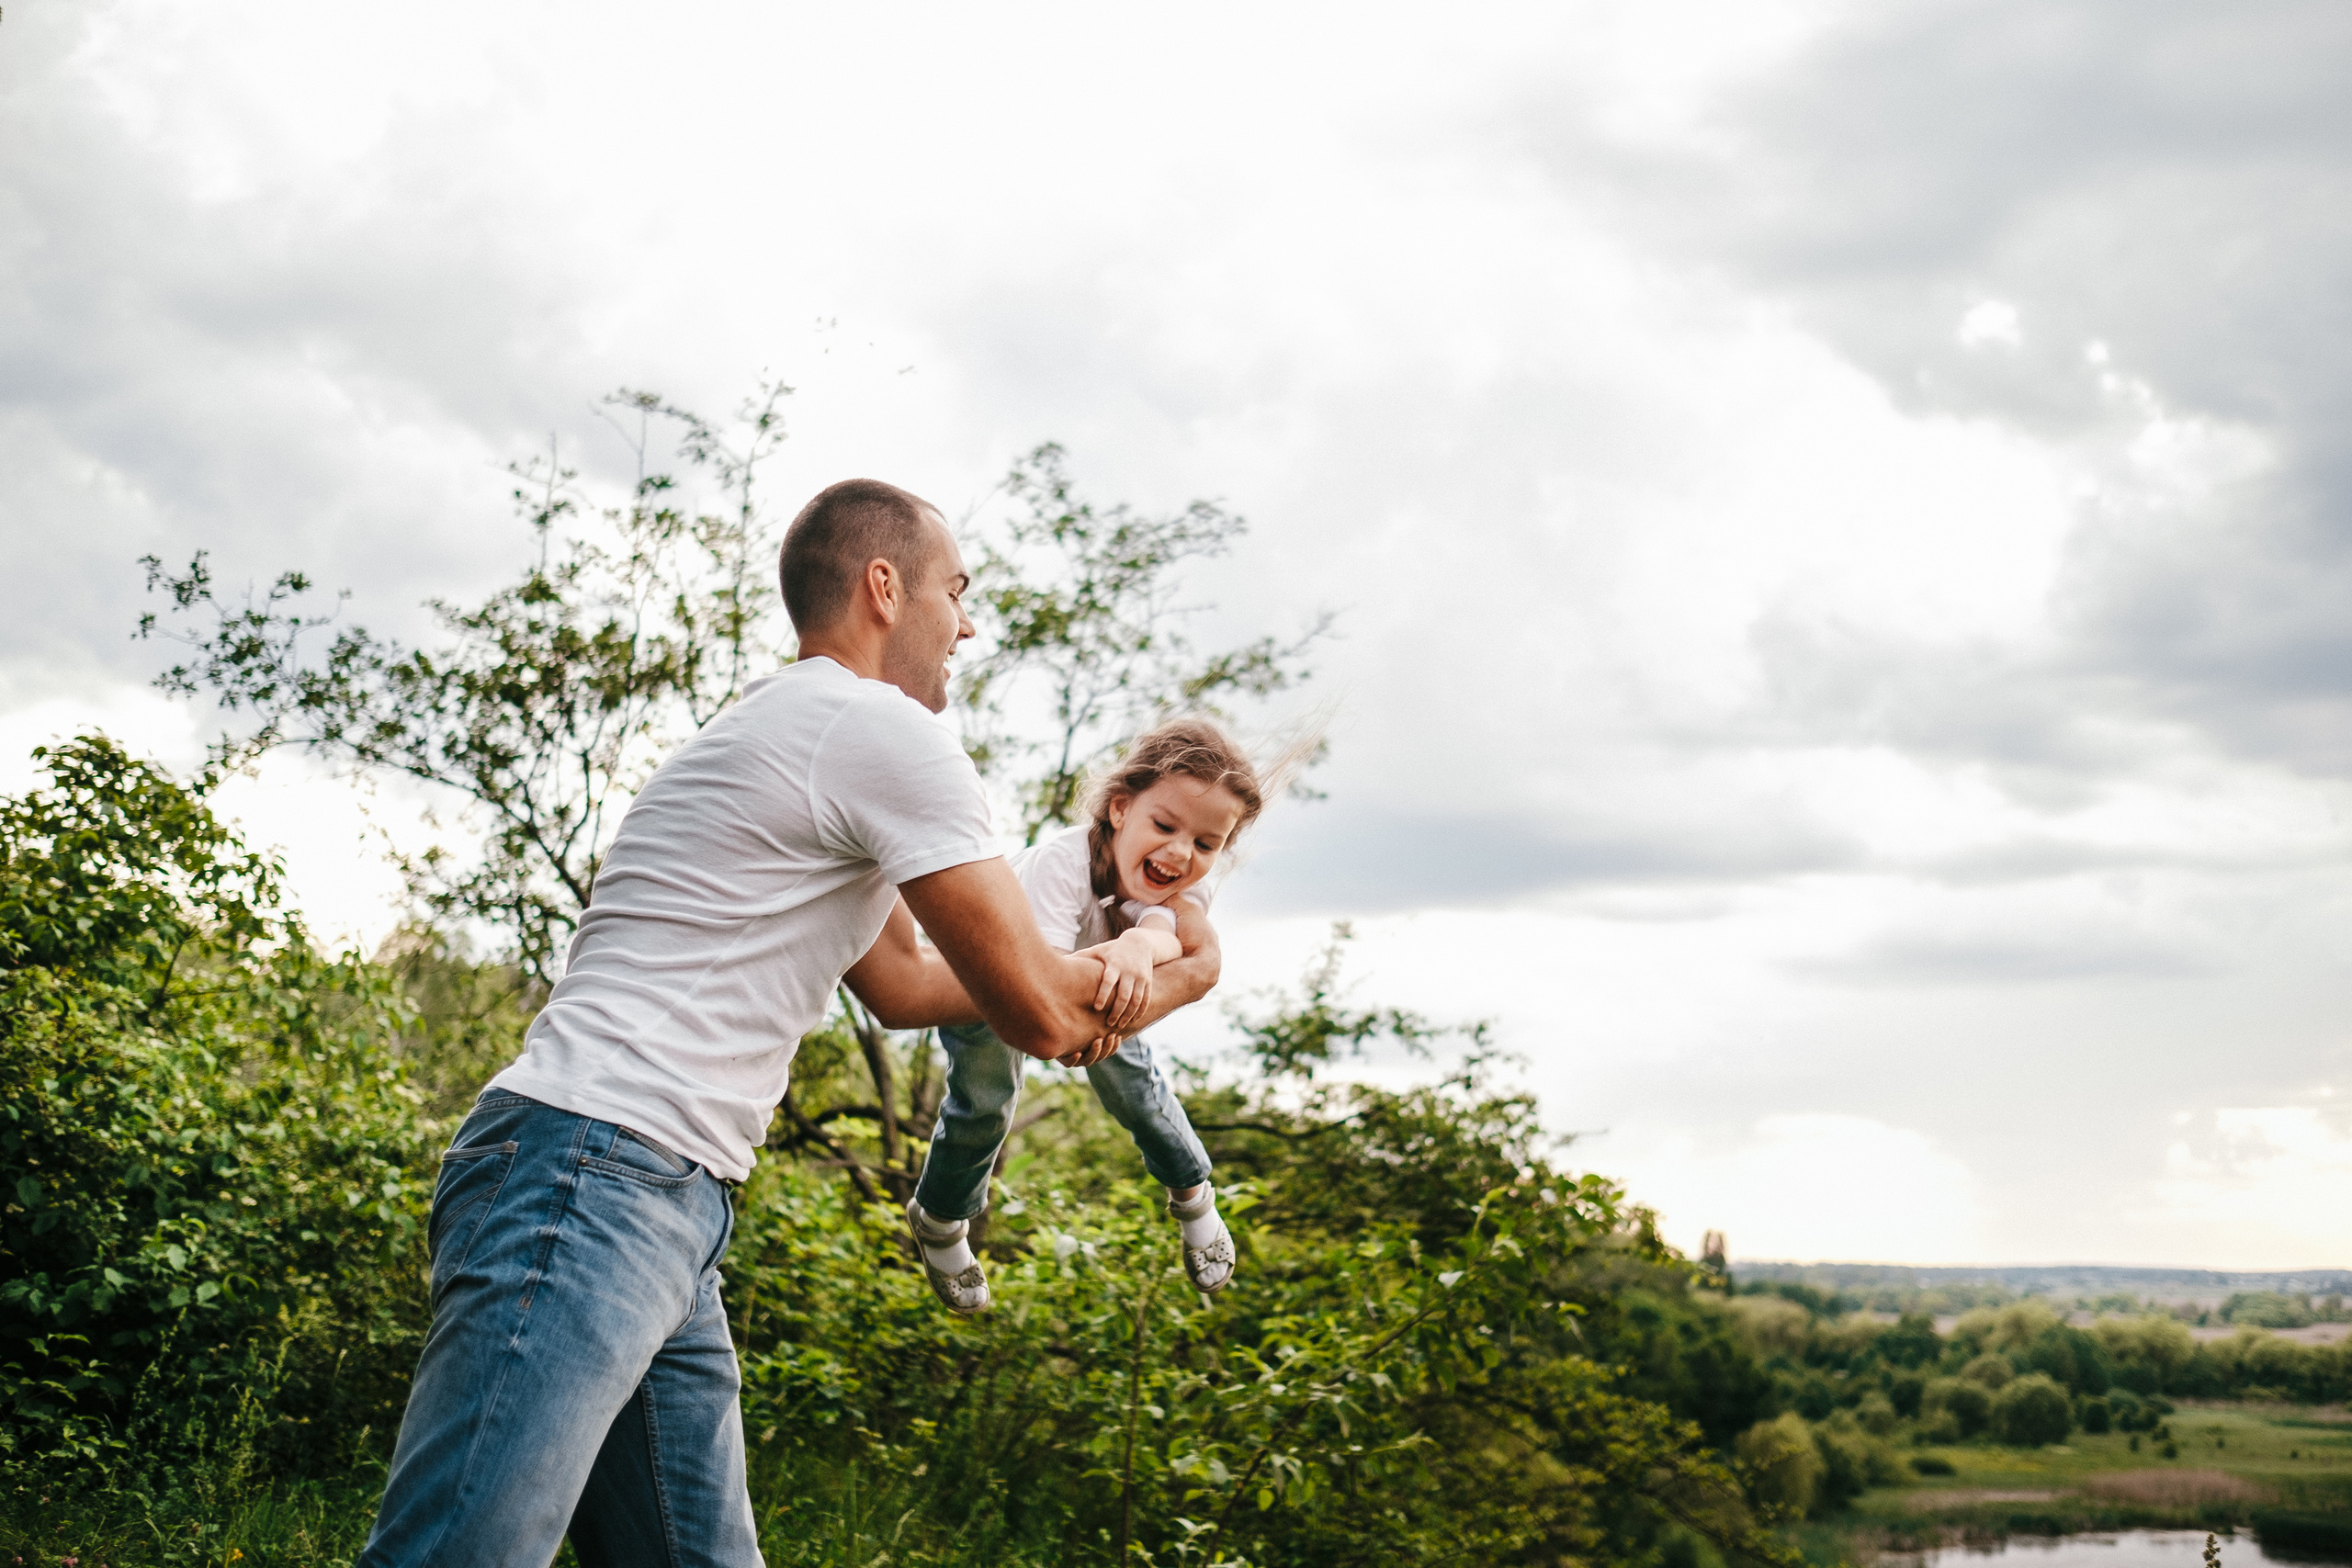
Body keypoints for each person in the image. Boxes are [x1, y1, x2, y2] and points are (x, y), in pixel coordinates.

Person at [358, 479, 1220, 1568]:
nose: (968, 624)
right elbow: (1043, 1015)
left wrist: (1097, 971)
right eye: (957, 593)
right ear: (883, 586)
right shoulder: (876, 732)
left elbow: (906, 987)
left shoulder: (787, 729)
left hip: (659, 1197)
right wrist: (1179, 961)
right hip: (593, 1172)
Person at [904, 717, 1265, 1314]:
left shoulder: (1182, 876)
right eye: (1165, 824)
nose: (1182, 852)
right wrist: (1124, 961)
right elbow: (1034, 988)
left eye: (1206, 843)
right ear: (1120, 808)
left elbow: (1174, 932)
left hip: (1092, 983)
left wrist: (1139, 945)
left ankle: (1194, 1195)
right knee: (986, 1102)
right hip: (988, 977)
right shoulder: (1059, 865)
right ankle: (940, 1217)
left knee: (1139, 1088)